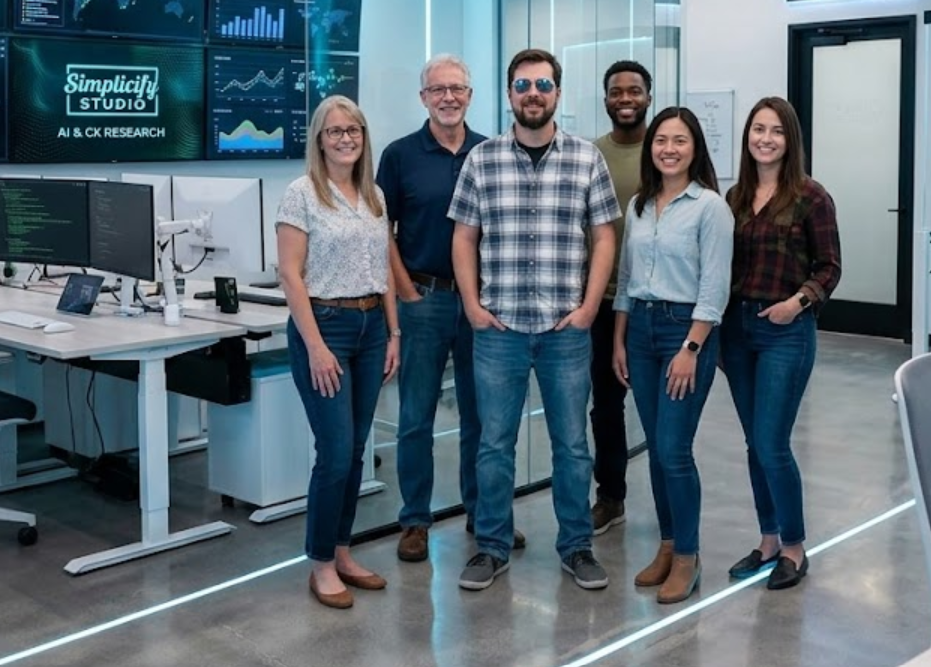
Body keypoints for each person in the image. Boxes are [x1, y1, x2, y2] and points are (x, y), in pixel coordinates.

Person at [450, 48, 620, 592]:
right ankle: (492, 547)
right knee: (494, 444)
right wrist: (473, 306)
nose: (532, 93)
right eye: (522, 84)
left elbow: (604, 236)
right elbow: (464, 237)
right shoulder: (482, 160)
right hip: (498, 329)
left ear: (557, 94)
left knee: (571, 444)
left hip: (563, 330)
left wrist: (590, 307)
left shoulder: (586, 159)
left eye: (543, 84)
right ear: (509, 95)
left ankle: (576, 547)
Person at [376, 54, 525, 563]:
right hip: (425, 299)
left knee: (482, 418)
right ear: (423, 98)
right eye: (437, 89)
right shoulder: (399, 156)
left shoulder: (491, 153)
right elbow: (383, 232)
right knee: (416, 416)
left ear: (470, 95)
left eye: (457, 88)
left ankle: (485, 517)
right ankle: (415, 520)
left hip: (481, 305)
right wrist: (407, 293)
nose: (448, 97)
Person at [276, 95, 401, 610]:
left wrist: (394, 333)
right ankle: (321, 564)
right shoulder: (301, 193)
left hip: (373, 328)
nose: (345, 138)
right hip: (326, 326)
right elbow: (289, 274)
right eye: (335, 131)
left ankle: (344, 551)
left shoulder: (373, 194)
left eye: (354, 130)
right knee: (334, 453)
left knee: (353, 453)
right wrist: (316, 348)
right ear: (319, 139)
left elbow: (385, 268)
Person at [612, 106, 734, 604]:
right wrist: (619, 338)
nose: (669, 148)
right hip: (639, 329)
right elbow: (624, 279)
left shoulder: (710, 207)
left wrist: (690, 347)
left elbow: (715, 287)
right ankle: (666, 545)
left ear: (694, 147)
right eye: (661, 140)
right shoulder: (640, 204)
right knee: (659, 455)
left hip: (685, 333)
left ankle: (688, 556)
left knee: (674, 450)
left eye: (679, 140)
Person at [720, 96, 841, 590]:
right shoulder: (734, 197)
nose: (764, 139)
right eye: (757, 130)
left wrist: (798, 302)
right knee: (754, 444)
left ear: (790, 140)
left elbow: (829, 267)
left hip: (785, 331)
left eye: (775, 131)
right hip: (737, 330)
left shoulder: (811, 196)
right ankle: (768, 540)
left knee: (771, 442)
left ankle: (794, 545)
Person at [589, 60, 653, 536]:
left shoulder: (668, 149)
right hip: (603, 301)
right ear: (606, 99)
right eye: (617, 91)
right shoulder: (592, 155)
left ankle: (673, 511)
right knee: (606, 407)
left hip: (655, 302)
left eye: (634, 90)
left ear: (648, 96)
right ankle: (611, 498)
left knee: (657, 409)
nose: (625, 98)